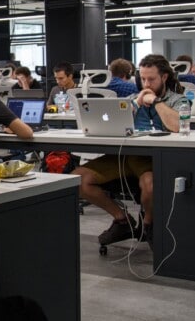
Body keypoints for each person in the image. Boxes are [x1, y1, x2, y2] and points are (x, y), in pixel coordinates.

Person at [72, 54, 186, 247]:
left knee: (149, 185)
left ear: (164, 77)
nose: (146, 83)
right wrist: (136, 104)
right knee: (78, 179)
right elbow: (114, 123)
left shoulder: (178, 99)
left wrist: (156, 102)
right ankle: (122, 219)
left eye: (152, 79)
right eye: (143, 78)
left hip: (154, 159)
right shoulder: (132, 99)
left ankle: (148, 224)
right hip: (126, 156)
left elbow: (177, 126)